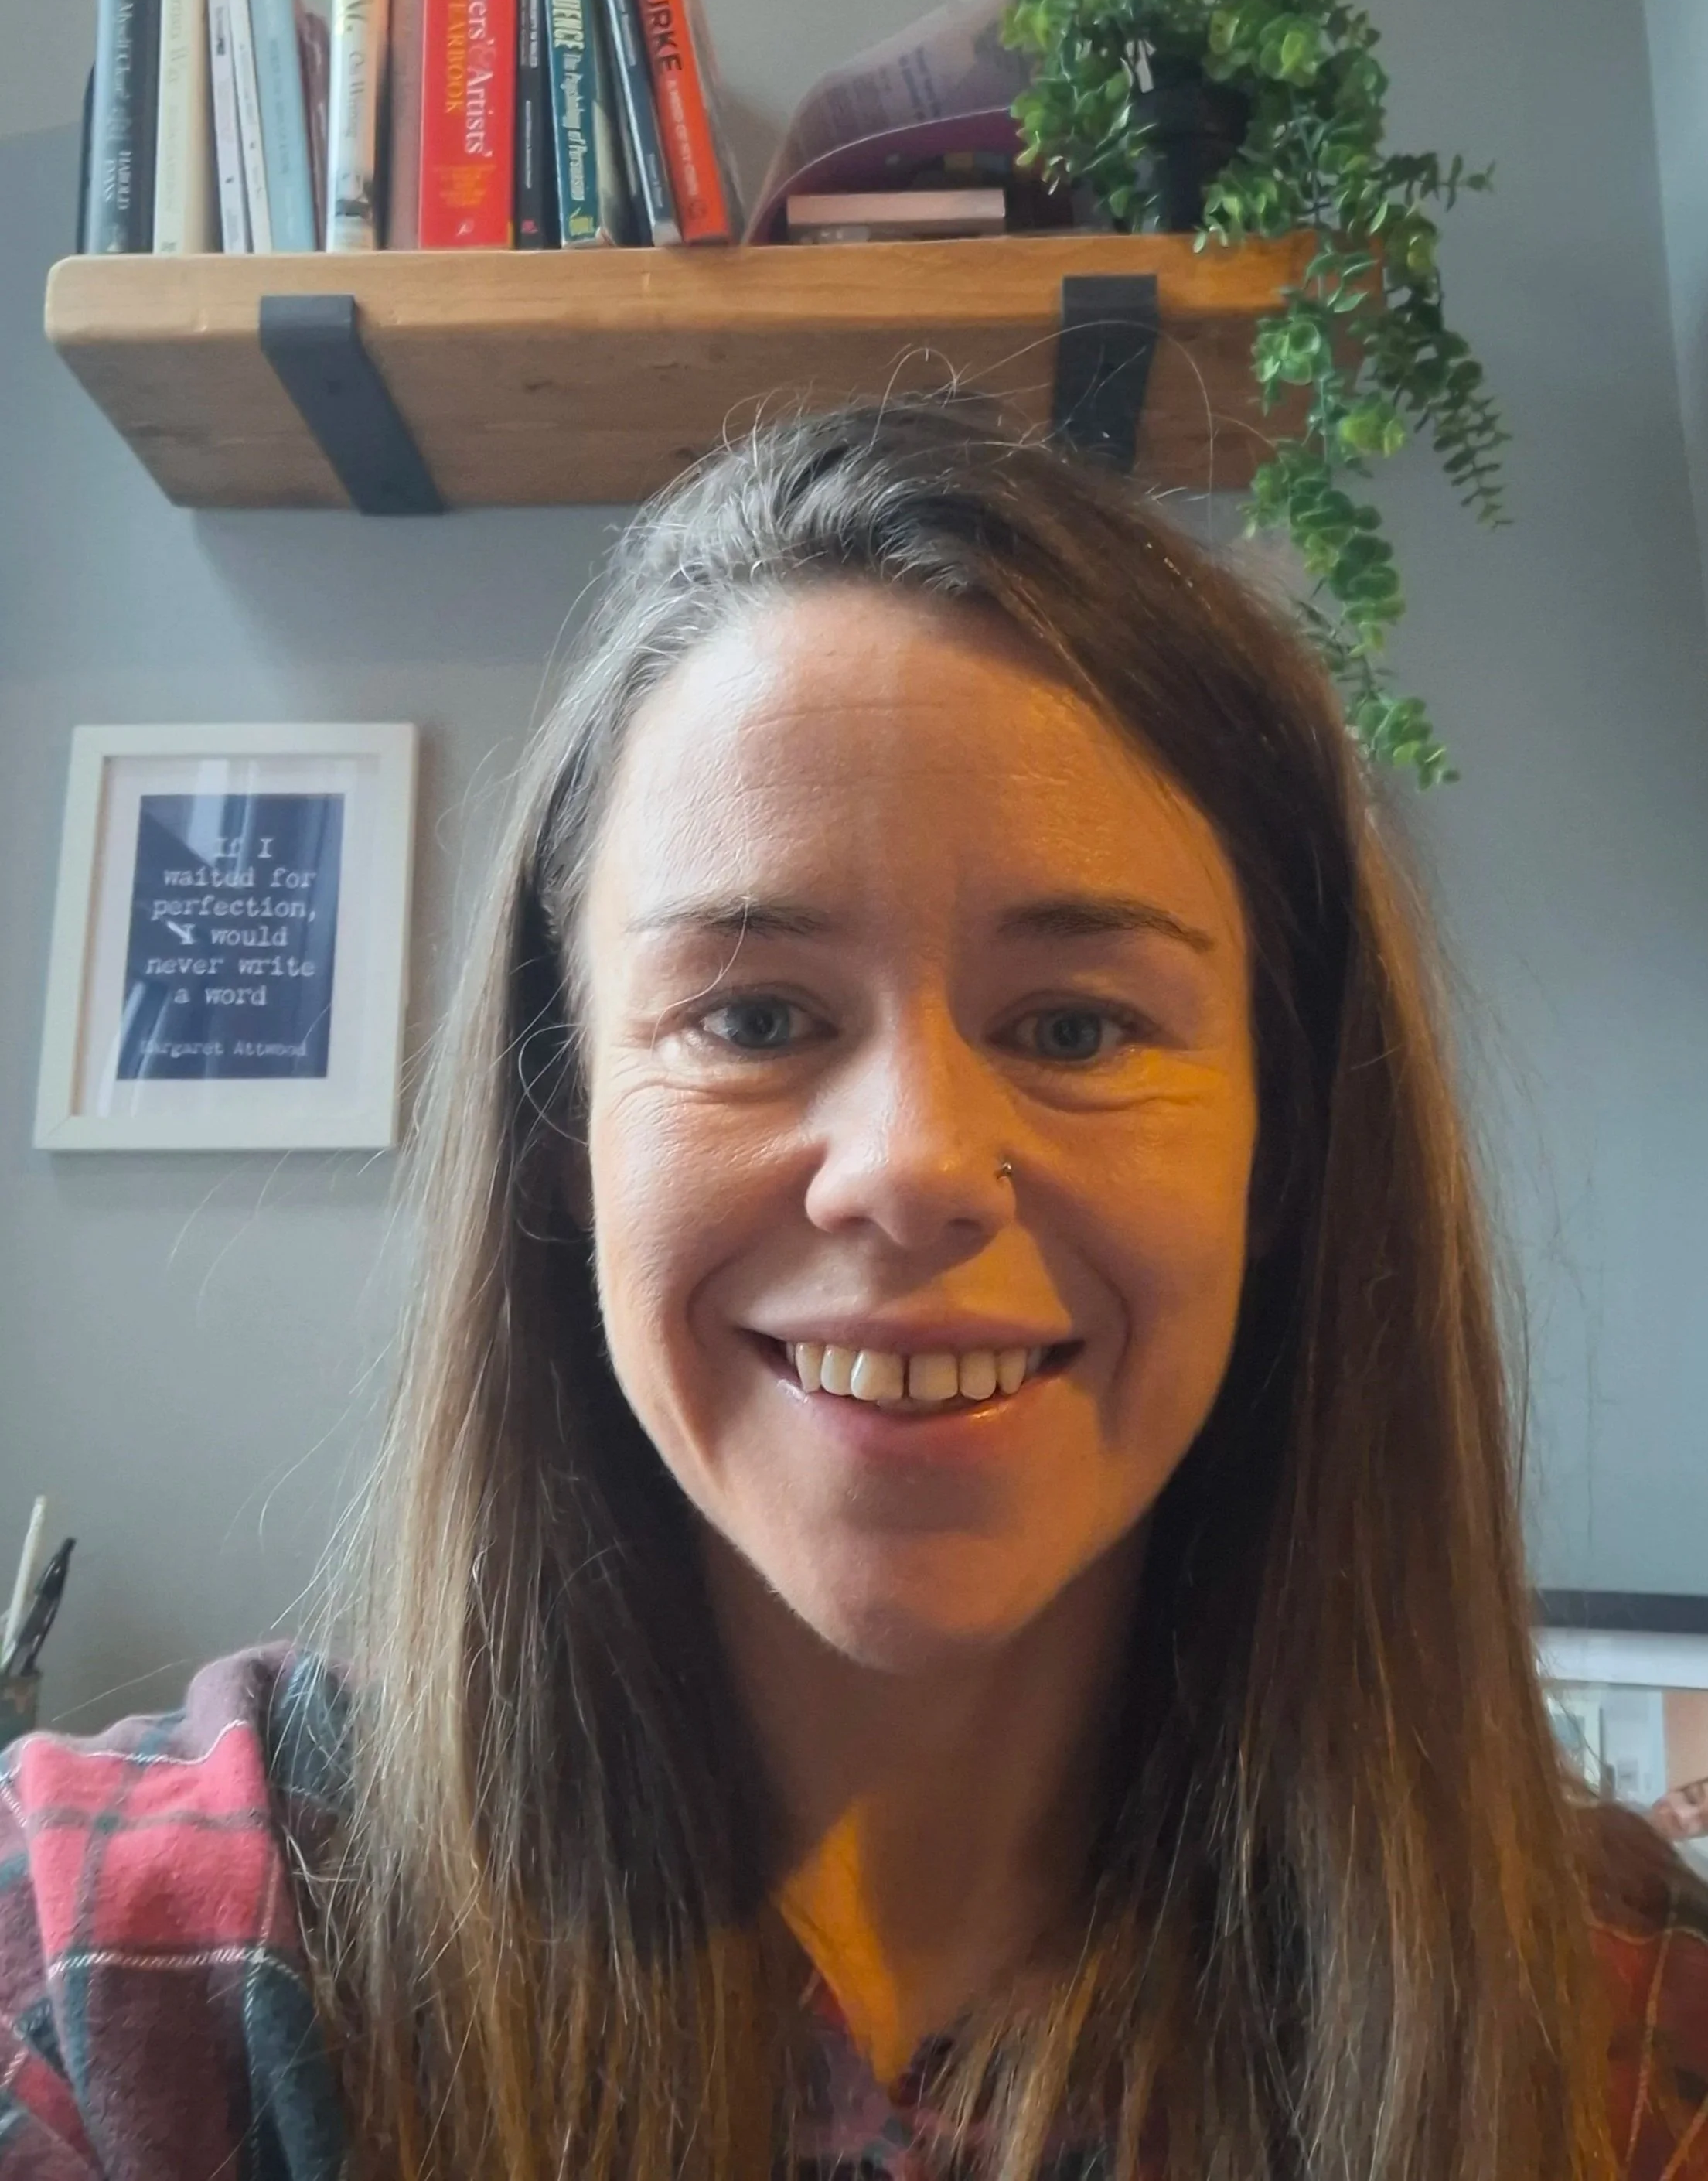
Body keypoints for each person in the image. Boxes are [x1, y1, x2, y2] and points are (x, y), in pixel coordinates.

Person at [2, 398, 1704, 2181]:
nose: (907, 1164)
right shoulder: (122, 1949)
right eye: (751, 1015)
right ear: (562, 1128)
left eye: (1076, 1024)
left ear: (1284, 1150)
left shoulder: (1624, 2034)